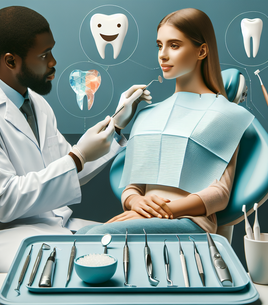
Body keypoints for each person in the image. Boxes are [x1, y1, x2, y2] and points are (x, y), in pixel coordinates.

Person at [0, 6, 150, 273]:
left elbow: (66, 170)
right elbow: (3, 202)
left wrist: (116, 127)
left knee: (124, 247)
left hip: (46, 222)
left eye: (52, 51)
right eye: (44, 55)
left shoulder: (35, 102)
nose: (53, 62)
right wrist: (77, 158)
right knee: (72, 270)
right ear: (11, 61)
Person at [77, 8, 254, 235]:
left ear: (201, 51)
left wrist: (158, 212)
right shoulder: (148, 115)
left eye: (174, 45)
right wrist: (134, 202)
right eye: (160, 45)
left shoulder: (225, 115)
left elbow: (219, 194)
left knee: (94, 236)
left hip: (190, 222)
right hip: (145, 219)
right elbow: (133, 186)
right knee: (82, 235)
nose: (163, 54)